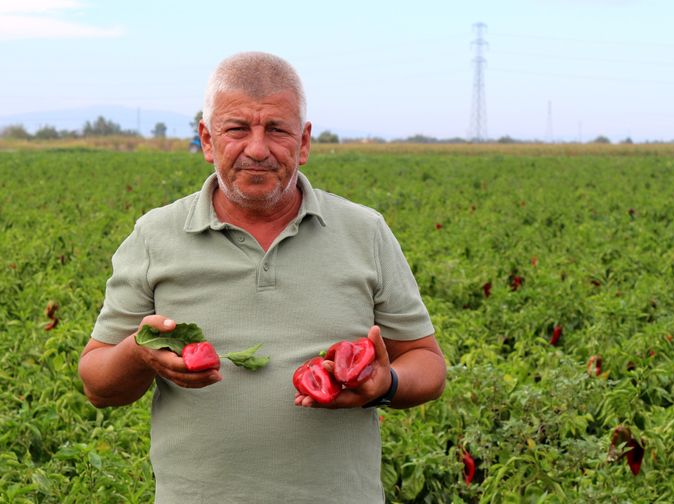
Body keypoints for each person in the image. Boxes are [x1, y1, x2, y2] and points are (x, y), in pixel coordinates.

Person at [78, 51, 446, 503]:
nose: (257, 149)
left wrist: (386, 385)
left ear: (303, 142)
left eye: (276, 129)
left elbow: (427, 364)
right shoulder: (155, 236)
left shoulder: (364, 231)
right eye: (236, 129)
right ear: (207, 140)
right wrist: (140, 352)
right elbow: (97, 384)